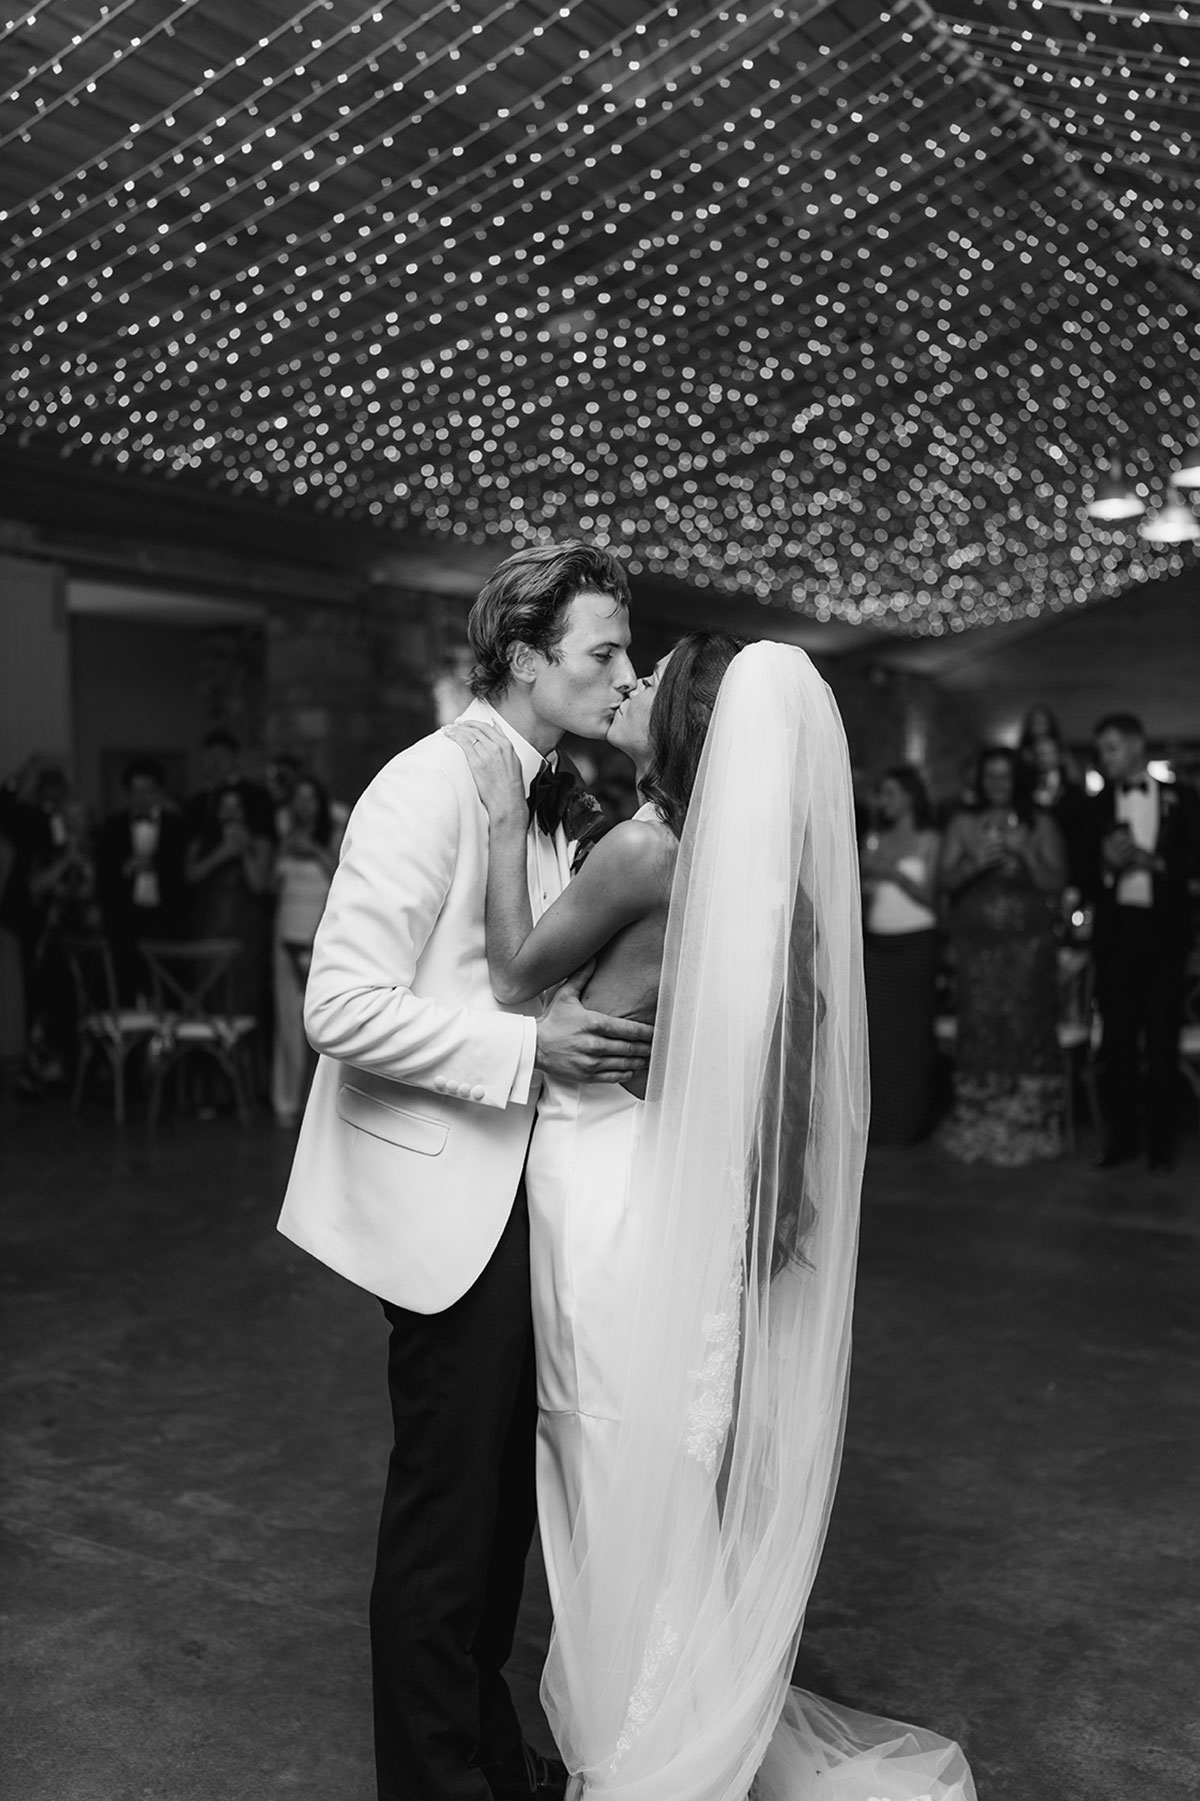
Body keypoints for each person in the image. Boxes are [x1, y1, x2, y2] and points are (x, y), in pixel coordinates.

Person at [449, 637, 975, 1800]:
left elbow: (512, 973)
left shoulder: (646, 847)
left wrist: (496, 824)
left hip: (598, 1172)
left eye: (650, 681)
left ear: (687, 727)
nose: (628, 685)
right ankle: (673, 1716)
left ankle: (644, 1754)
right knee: (657, 1460)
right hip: (669, 1181)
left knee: (591, 1433)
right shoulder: (746, 872)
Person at [277, 542, 655, 1801]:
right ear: (524, 656)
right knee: (449, 1516)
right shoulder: (423, 784)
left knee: (498, 1505)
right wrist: (524, 1046)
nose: (624, 674)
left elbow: (521, 964)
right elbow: (337, 1003)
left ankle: (487, 1753)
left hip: (520, 1187)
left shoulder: (549, 789)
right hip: (443, 1189)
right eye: (603, 653)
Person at [936, 745, 1067, 1165]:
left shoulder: (1040, 823)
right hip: (977, 949)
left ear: (1018, 779)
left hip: (1028, 947)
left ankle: (1029, 1124)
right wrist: (977, 863)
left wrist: (1024, 852)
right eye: (990, 775)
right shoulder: (962, 822)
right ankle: (979, 1121)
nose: (997, 783)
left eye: (1005, 775)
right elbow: (944, 880)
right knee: (981, 1024)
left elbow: (1057, 883)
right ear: (980, 779)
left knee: (1026, 1024)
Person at [1084, 713, 1200, 1173]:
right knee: (1117, 1044)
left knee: (1161, 1041)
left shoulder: (1184, 800)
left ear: (1136, 746)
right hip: (1116, 936)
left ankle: (1161, 1143)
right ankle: (1121, 1139)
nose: (1104, 757)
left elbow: (1195, 862)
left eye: (1111, 747)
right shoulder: (1093, 807)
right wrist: (1107, 869)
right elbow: (1079, 874)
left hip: (1164, 934)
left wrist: (1159, 865)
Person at [859, 765, 941, 1145]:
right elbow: (861, 896)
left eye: (890, 793)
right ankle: (880, 1123)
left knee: (911, 1039)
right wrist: (866, 886)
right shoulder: (873, 838)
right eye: (881, 794)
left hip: (916, 944)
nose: (883, 802)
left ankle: (909, 1124)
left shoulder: (929, 840)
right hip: (877, 946)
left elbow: (934, 899)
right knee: (879, 1039)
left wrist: (893, 874)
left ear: (910, 797)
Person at [271, 774, 340, 1127]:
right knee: (286, 1022)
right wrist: (284, 848)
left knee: (320, 1019)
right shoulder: (281, 836)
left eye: (310, 798)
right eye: (298, 798)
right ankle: (285, 1103)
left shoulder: (333, 837)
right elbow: (267, 885)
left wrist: (313, 850)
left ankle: (321, 1107)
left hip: (320, 934)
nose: (303, 805)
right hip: (284, 931)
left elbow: (342, 878)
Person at [97, 757, 188, 1002]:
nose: (142, 798)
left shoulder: (178, 826)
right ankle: (128, 1040)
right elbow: (102, 879)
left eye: (148, 791)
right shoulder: (112, 827)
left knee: (168, 987)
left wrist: (157, 865)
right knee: (125, 985)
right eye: (136, 791)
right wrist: (126, 868)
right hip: (126, 918)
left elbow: (185, 876)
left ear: (159, 791)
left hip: (167, 919)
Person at [183, 784, 274, 1019]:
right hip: (209, 928)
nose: (230, 813)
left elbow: (260, 885)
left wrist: (245, 851)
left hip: (245, 934)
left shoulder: (260, 843)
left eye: (236, 807)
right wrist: (221, 853)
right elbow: (191, 876)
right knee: (208, 997)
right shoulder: (201, 841)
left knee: (243, 1001)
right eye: (225, 807)